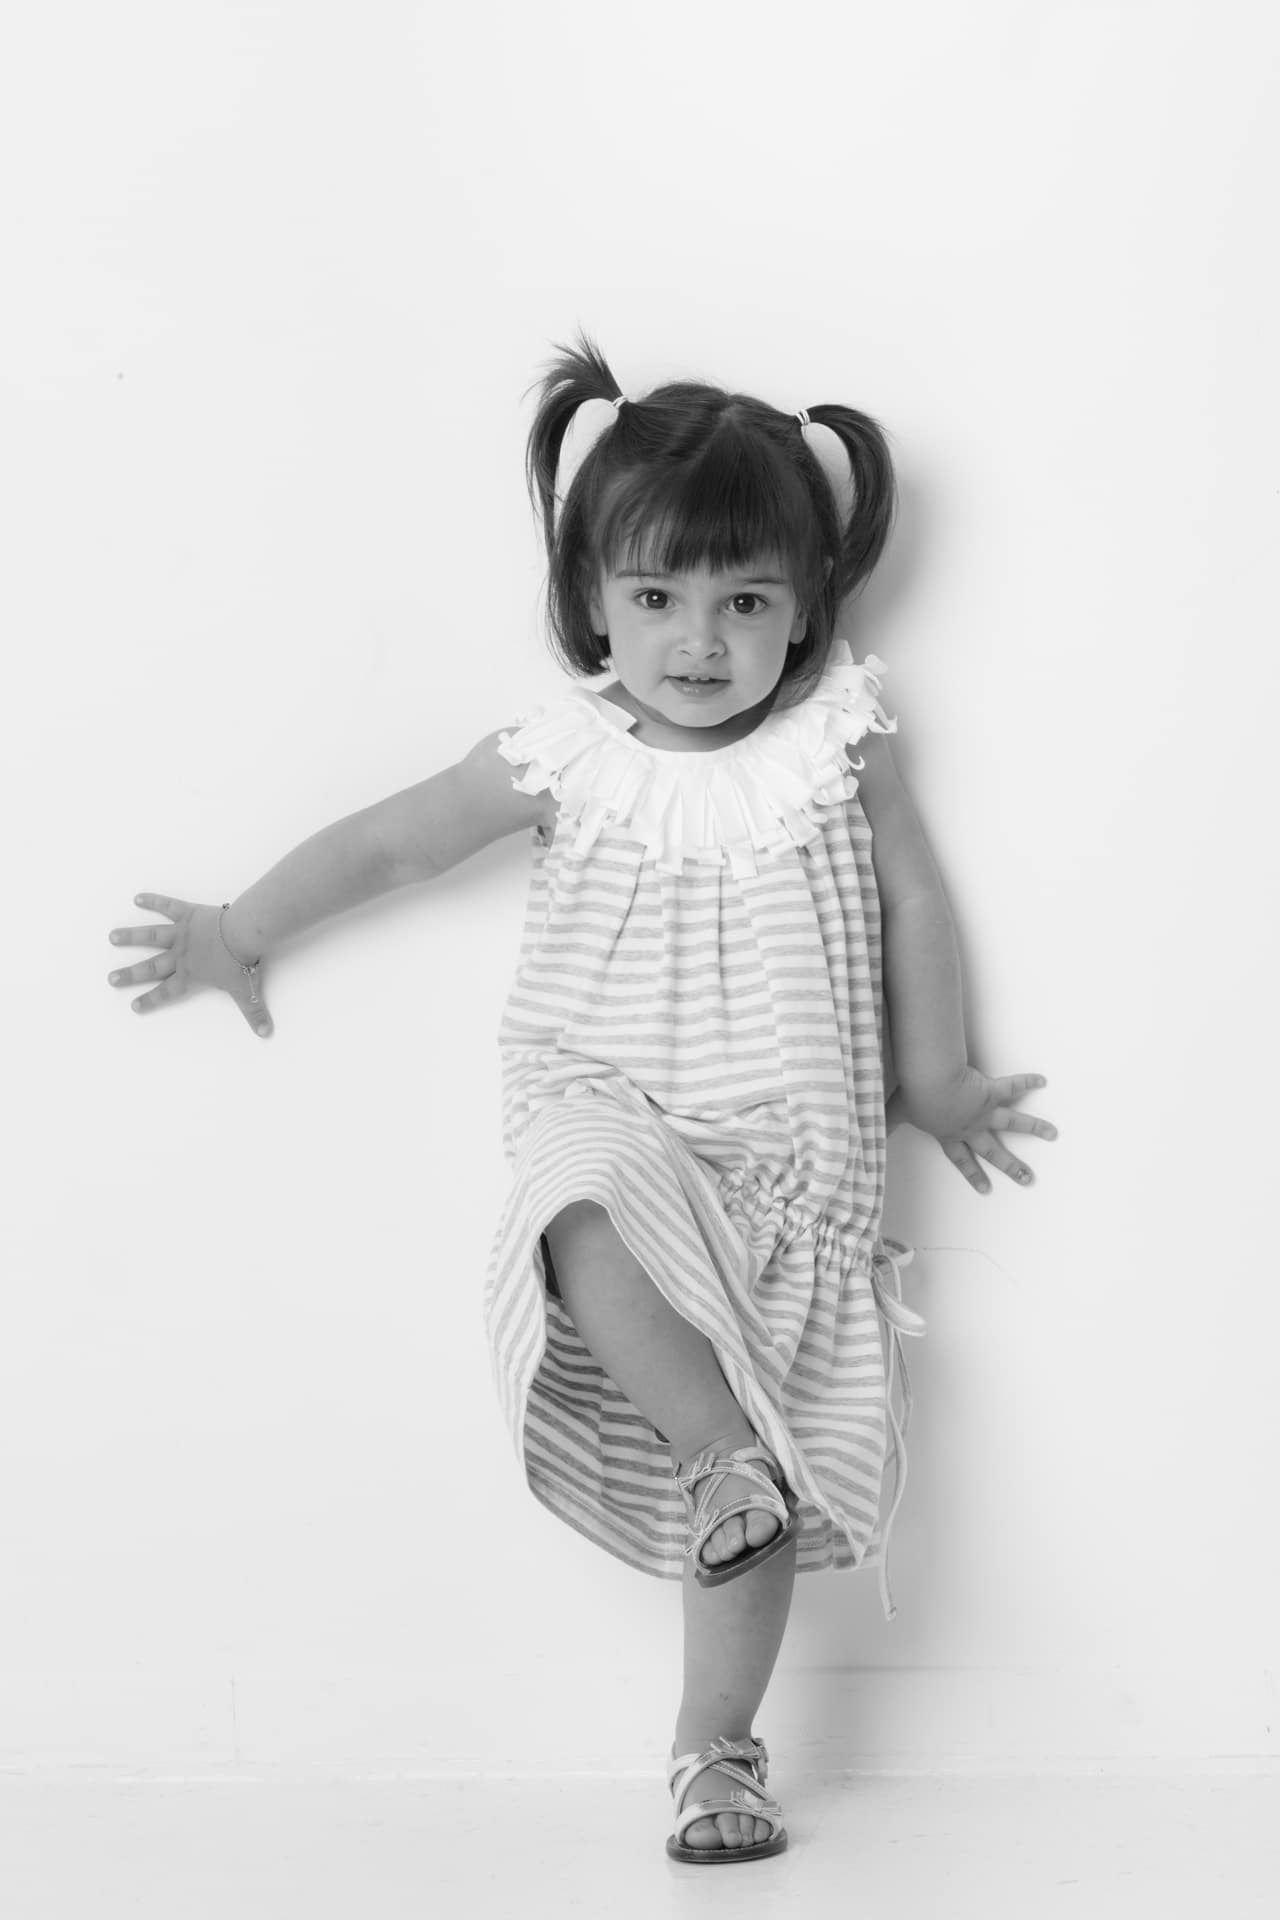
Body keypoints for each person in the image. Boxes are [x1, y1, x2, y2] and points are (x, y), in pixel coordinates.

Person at [106, 331, 1056, 1865]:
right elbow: (397, 842)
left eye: (746, 600)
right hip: (609, 1100)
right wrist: (240, 927)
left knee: (761, 1473)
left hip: (791, 1165)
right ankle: (713, 1455)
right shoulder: (562, 756)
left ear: (809, 604)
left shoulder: (841, 739)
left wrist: (935, 1076)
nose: (702, 639)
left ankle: (716, 1749)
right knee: (585, 1200)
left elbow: (915, 899)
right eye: (658, 597)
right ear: (593, 599)